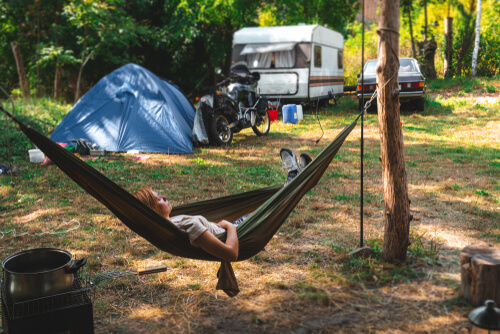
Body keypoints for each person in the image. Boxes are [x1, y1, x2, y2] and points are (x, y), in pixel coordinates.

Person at [133, 148, 311, 262]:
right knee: (274, 207)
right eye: (159, 199)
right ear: (153, 211)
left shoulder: (172, 222)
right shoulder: (186, 225)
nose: (164, 196)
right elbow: (230, 254)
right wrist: (229, 226)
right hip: (240, 232)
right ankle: (296, 177)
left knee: (273, 205)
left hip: (236, 227)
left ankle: (296, 177)